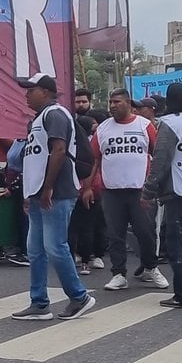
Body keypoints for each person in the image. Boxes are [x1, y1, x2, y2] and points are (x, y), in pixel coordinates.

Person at [12, 73, 96, 319]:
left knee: (55, 246)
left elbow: (58, 151)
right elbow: (34, 159)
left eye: (31, 89)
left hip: (56, 191)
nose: (26, 94)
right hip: (39, 192)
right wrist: (30, 193)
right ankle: (39, 302)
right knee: (35, 249)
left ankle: (79, 297)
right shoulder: (38, 119)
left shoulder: (55, 114)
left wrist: (48, 187)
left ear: (46, 92)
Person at [142, 80, 182, 310]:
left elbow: (160, 160)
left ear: (167, 101)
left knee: (177, 244)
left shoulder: (169, 123)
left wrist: (148, 190)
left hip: (177, 189)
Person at [91, 88, 164, 291]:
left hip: (140, 190)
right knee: (115, 234)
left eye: (117, 102)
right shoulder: (103, 128)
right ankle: (118, 274)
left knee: (145, 232)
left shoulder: (145, 126)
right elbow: (95, 159)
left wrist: (154, 185)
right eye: (110, 102)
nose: (113, 106)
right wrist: (89, 186)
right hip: (111, 190)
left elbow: (157, 155)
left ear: (128, 104)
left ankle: (151, 267)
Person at [68, 87, 104, 273]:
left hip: (81, 185)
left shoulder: (73, 144)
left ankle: (79, 257)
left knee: (76, 225)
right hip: (90, 185)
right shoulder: (92, 143)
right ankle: (85, 261)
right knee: (87, 225)